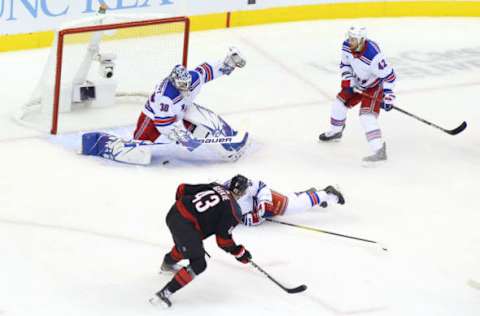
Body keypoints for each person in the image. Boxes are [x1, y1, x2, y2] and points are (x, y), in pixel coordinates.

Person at [81, 47, 249, 165]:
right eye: (182, 86)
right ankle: (107, 145)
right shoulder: (165, 98)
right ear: (175, 82)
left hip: (183, 111)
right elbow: (164, 124)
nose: (186, 88)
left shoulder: (192, 78)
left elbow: (209, 70)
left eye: (187, 85)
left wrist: (228, 63)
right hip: (153, 117)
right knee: (139, 150)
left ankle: (230, 144)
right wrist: (181, 136)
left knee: (205, 125)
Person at [149, 177, 252, 308]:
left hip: (173, 212)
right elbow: (223, 241)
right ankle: (162, 295)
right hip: (186, 225)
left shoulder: (215, 186)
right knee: (199, 264)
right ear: (241, 193)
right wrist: (240, 252)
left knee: (186, 246)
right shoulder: (233, 211)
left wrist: (183, 214)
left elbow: (182, 188)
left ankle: (166, 266)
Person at [319, 25, 396, 162]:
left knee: (366, 116)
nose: (350, 41)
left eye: (353, 39)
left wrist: (388, 97)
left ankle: (379, 150)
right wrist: (348, 82)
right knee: (339, 103)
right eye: (349, 38)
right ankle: (336, 131)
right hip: (357, 83)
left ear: (361, 40)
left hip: (374, 86)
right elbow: (345, 65)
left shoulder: (374, 55)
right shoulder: (347, 46)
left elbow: (390, 76)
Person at [223, 175, 345, 226]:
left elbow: (261, 187)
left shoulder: (243, 185)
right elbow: (242, 219)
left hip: (265, 200)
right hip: (259, 208)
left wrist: (263, 204)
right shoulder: (225, 203)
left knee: (293, 207)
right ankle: (312, 195)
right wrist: (258, 217)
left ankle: (327, 193)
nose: (241, 194)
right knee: (291, 200)